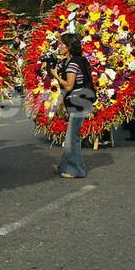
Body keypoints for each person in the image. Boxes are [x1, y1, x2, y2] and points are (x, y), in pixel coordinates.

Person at [48, 33, 93, 178]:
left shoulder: (73, 63)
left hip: (78, 102)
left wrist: (56, 75)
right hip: (81, 101)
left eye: (62, 44)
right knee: (70, 137)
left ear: (69, 47)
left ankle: (77, 170)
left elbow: (68, 86)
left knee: (73, 137)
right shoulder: (75, 60)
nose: (59, 46)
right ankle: (64, 166)